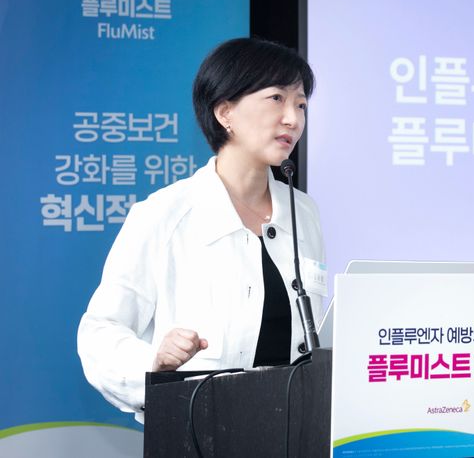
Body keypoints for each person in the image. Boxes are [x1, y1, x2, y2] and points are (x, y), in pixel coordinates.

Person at [77, 38, 327, 421]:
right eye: (276, 98)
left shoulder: (303, 211)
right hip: (200, 428)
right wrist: (153, 361)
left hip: (295, 425)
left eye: (301, 104)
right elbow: (100, 331)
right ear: (225, 112)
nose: (293, 119)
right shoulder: (164, 213)